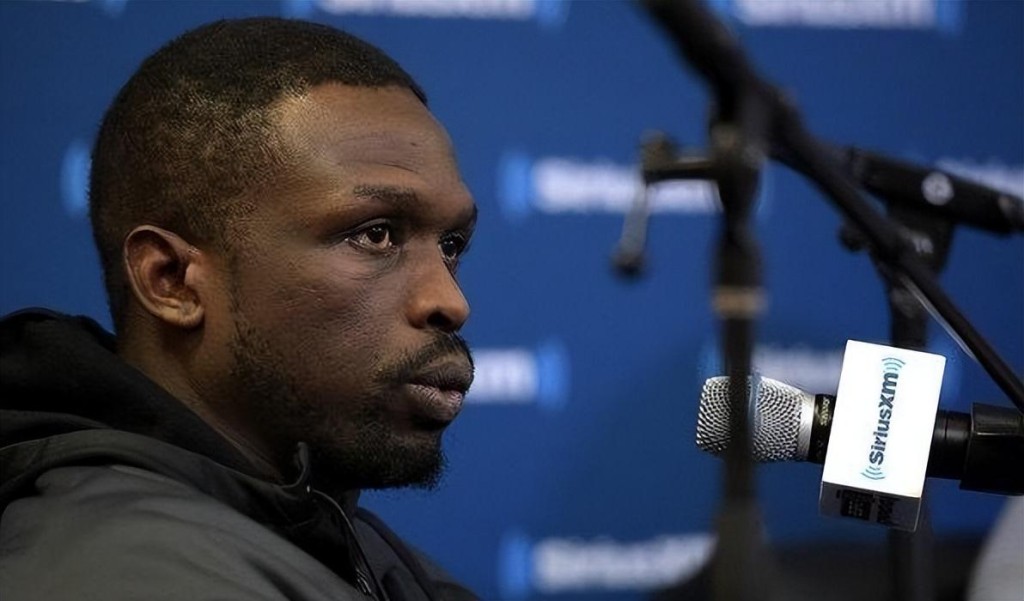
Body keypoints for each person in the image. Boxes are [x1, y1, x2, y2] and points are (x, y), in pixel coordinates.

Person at [0, 17, 478, 601]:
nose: (449, 301)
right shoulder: (116, 574)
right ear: (171, 280)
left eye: (451, 245)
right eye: (375, 235)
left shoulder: (342, 539)